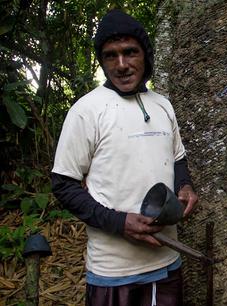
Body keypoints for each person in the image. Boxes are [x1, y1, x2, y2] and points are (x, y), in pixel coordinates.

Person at [51, 9, 198, 306]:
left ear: (146, 55)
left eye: (130, 52)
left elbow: (177, 159)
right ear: (102, 61)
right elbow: (63, 184)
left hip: (167, 261)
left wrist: (184, 187)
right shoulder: (87, 110)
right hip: (112, 272)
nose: (121, 65)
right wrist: (120, 222)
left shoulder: (162, 105)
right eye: (110, 55)